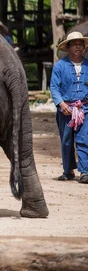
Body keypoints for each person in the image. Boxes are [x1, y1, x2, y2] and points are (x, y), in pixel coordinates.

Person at [50, 31, 88, 184]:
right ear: (68, 47)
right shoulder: (60, 66)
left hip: (84, 109)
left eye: (80, 44)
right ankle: (68, 171)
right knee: (66, 140)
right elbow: (54, 87)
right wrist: (61, 103)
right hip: (65, 109)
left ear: (84, 48)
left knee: (84, 139)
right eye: (74, 44)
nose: (78, 47)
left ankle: (85, 172)